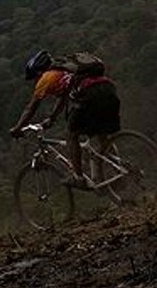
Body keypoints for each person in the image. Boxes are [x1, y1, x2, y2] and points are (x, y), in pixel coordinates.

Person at [9, 50, 121, 189]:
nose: (36, 81)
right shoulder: (68, 71)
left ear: (38, 72)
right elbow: (63, 98)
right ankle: (121, 168)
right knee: (101, 134)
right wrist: (52, 118)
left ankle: (78, 177)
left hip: (89, 96)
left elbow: (31, 108)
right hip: (108, 90)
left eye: (35, 77)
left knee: (71, 135)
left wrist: (17, 128)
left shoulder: (45, 79)